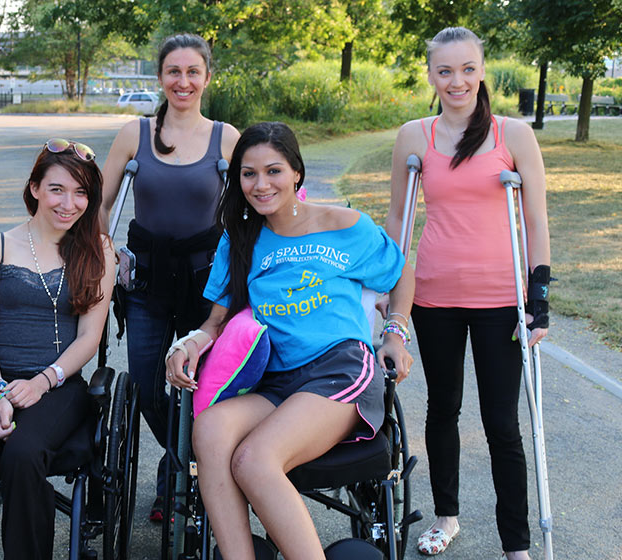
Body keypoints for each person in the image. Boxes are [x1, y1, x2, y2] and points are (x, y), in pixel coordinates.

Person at [166, 121, 415, 560]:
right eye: (249, 174)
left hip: (339, 369)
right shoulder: (239, 239)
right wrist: (188, 344)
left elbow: (401, 275)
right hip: (275, 377)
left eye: (273, 171)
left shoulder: (344, 224)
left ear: (296, 172)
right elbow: (216, 322)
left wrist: (395, 330)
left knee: (254, 461)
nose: (261, 185)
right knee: (210, 430)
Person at [386, 27, 550, 560]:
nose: (457, 81)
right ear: (431, 75)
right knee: (443, 410)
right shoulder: (415, 136)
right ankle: (446, 517)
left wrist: (539, 295)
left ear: (483, 70)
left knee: (502, 422)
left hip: (501, 297)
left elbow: (535, 218)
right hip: (435, 295)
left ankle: (516, 544)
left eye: (467, 69)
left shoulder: (513, 134)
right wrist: (390, 302)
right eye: (444, 71)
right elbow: (399, 220)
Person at [0, 139, 115, 560]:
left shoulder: (99, 251)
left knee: (24, 453)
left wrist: (42, 381)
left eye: (81, 192)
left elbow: (89, 337)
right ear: (34, 188)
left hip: (57, 384)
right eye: (57, 189)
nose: (69, 203)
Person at [100, 32, 239, 519]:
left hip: (206, 281)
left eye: (192, 72)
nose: (183, 81)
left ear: (206, 76)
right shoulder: (134, 134)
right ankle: (184, 465)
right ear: (160, 77)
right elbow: (102, 206)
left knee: (204, 386)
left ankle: (176, 479)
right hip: (148, 279)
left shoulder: (226, 138)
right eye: (173, 72)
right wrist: (105, 250)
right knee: (145, 384)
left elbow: (252, 210)